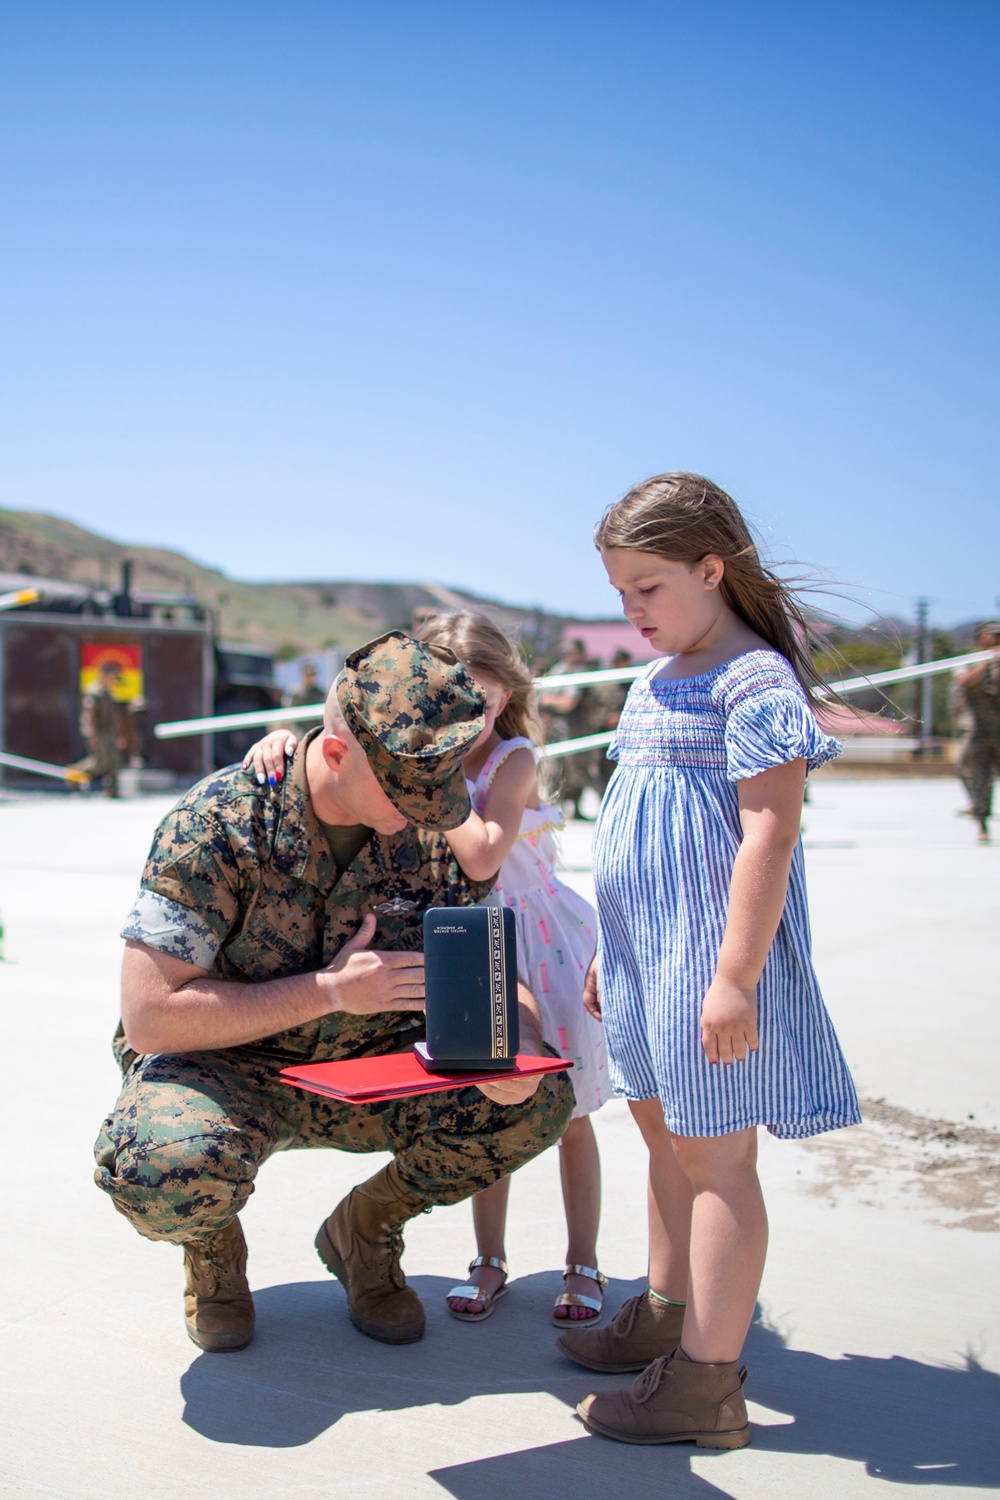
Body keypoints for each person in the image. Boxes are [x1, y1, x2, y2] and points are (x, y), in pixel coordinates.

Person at [94, 631, 574, 1355]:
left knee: (538, 1101)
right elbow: (152, 1016)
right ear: (340, 752)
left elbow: (496, 973)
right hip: (226, 1069)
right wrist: (327, 992)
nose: (433, 808)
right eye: (409, 789)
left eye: (440, 785)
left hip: (368, 1072)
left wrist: (522, 1044)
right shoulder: (216, 825)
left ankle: (366, 1229)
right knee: (158, 1165)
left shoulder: (432, 821)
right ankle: (212, 1246)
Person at [557, 472, 861, 1450]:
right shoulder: (651, 682)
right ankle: (662, 1309)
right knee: (663, 1138)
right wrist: (610, 948)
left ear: (710, 568)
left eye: (648, 588)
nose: (631, 612)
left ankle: (705, 1383)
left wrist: (733, 977)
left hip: (709, 961)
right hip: (644, 957)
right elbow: (631, 826)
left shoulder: (753, 681)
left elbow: (766, 839)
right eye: (619, 594)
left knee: (717, 1156)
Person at [248, 611, 612, 1329]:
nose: (475, 717)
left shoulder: (513, 759)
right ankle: (489, 1259)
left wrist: (428, 772)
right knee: (485, 1092)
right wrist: (284, 741)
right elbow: (336, 756)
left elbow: (481, 857)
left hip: (534, 939)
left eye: (490, 699)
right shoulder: (415, 753)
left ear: (509, 696)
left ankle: (581, 1262)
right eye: (458, 702)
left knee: (565, 1112)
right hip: (462, 939)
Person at [537, 638, 601, 818]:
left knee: (578, 772)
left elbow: (568, 703)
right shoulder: (560, 669)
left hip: (576, 731)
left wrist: (549, 701)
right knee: (555, 770)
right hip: (557, 729)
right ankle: (561, 808)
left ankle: (604, 802)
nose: (568, 655)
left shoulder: (580, 672)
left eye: (572, 651)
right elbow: (543, 696)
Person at [954, 621, 1000, 843]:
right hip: (977, 730)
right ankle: (981, 822)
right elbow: (964, 682)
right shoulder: (969, 661)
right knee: (972, 773)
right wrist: (984, 663)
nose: (994, 639)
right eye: (990, 635)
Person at [77, 659, 129, 797]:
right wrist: (91, 733)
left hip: (110, 733)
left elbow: (114, 717)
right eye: (112, 675)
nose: (113, 679)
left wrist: (119, 735)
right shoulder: (95, 691)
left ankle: (113, 790)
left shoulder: (108, 692)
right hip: (100, 732)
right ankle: (75, 774)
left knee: (114, 762)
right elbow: (89, 714)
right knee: (101, 762)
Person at [285, 659, 325, 738]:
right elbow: (288, 714)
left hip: (315, 731)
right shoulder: (295, 693)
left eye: (313, 674)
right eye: (308, 674)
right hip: (299, 732)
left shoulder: (320, 693)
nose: (311, 677)